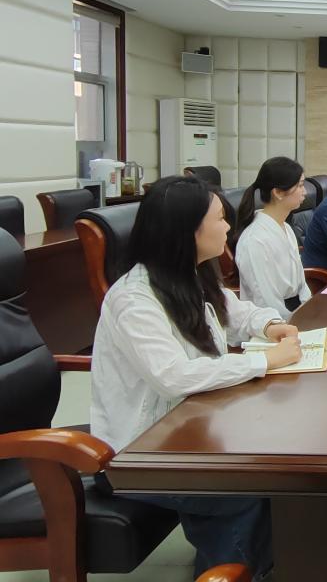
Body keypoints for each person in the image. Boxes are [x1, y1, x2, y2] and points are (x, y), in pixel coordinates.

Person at [90, 176, 301, 581]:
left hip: (190, 429)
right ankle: (239, 571)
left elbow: (234, 312)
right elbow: (173, 375)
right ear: (187, 231)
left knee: (277, 470)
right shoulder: (134, 298)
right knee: (248, 487)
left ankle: (251, 564)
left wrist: (269, 325)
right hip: (140, 453)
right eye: (220, 219)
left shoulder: (190, 273)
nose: (228, 227)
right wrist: (263, 362)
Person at [234, 156, 312, 320]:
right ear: (278, 193)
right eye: (299, 185)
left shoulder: (287, 228)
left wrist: (308, 309)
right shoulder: (255, 240)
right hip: (271, 322)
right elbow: (265, 301)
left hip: (297, 312)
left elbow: (301, 285)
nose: (304, 191)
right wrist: (292, 322)